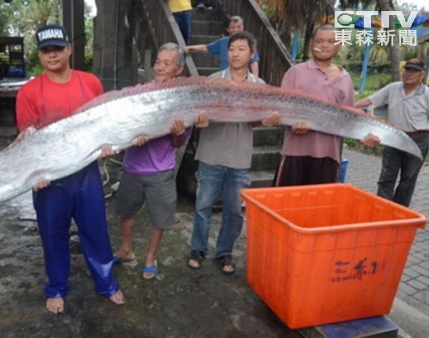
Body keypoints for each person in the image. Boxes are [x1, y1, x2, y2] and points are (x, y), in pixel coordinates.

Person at [15, 24, 124, 314]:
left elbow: (104, 125)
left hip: (86, 172)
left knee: (96, 230)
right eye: (46, 50)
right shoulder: (28, 92)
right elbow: (26, 141)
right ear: (39, 55)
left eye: (57, 49)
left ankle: (106, 283)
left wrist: (107, 146)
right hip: (50, 180)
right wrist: (34, 174)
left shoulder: (90, 82)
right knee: (53, 235)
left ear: (69, 49)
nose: (52, 55)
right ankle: (57, 287)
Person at [112, 42, 208, 280]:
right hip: (132, 167)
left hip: (161, 170)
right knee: (126, 211)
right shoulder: (140, 93)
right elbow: (125, 126)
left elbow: (178, 143)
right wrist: (133, 135)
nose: (160, 67)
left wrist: (176, 134)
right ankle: (126, 249)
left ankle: (150, 258)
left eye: (167, 63)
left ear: (178, 70)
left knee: (160, 217)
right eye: (158, 61)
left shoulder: (184, 99)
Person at [187, 31, 280, 274]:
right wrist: (200, 119)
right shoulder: (212, 81)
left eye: (241, 49)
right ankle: (198, 248)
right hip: (210, 154)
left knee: (234, 210)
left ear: (251, 54)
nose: (235, 53)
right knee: (202, 206)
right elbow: (198, 113)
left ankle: (225, 251)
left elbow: (255, 122)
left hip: (240, 158)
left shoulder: (259, 87)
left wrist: (264, 120)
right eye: (231, 49)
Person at [274, 24, 379, 187]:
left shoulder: (345, 79)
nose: (324, 45)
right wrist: (293, 122)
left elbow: (349, 118)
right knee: (285, 205)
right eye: (319, 41)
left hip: (329, 156)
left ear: (339, 45)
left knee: (319, 208)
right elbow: (281, 108)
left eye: (331, 41)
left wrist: (363, 136)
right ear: (311, 44)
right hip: (295, 153)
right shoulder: (295, 72)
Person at [355, 59, 429, 207]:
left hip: (417, 140)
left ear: (422, 74)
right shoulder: (393, 88)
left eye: (414, 71)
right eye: (407, 70)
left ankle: (399, 212)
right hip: (393, 138)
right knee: (387, 176)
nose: (409, 74)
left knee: (408, 179)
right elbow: (370, 100)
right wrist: (348, 105)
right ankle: (381, 209)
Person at [184, 16, 260, 76]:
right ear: (228, 29)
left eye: (239, 27)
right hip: (225, 77)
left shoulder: (248, 42)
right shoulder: (223, 42)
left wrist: (255, 79)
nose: (236, 30)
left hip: (243, 77)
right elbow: (206, 47)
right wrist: (188, 48)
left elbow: (254, 61)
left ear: (243, 27)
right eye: (233, 27)